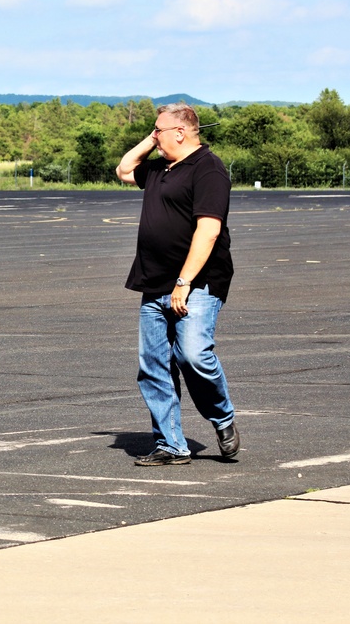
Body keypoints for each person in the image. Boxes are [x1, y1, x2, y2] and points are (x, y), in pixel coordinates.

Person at [116, 103, 240, 466]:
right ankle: (171, 444)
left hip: (197, 283)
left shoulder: (208, 169)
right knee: (153, 364)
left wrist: (183, 282)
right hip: (153, 280)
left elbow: (209, 229)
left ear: (181, 133)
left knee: (192, 355)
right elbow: (124, 170)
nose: (154, 137)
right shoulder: (157, 168)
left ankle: (223, 417)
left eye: (160, 130)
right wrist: (152, 139)